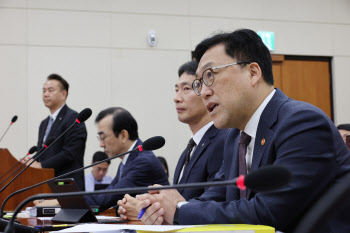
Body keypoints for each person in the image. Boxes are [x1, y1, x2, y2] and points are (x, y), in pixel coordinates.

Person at [135, 29, 350, 233]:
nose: (204, 92)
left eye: (210, 75)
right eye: (199, 83)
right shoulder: (235, 138)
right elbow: (215, 197)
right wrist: (163, 208)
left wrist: (181, 211)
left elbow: (271, 213)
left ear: (253, 72)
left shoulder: (302, 123)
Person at [117, 61, 227, 220]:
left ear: (205, 92)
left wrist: (152, 209)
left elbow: (213, 205)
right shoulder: (188, 150)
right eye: (176, 90)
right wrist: (147, 206)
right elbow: (180, 201)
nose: (176, 98)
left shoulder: (222, 140)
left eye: (186, 89)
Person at [83, 107, 169, 212]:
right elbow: (109, 192)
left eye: (103, 137)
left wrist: (63, 199)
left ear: (123, 135)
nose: (101, 145)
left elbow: (105, 199)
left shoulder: (143, 162)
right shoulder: (127, 160)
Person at [21, 74, 87, 191]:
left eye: (50, 90)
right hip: (46, 185)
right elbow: (44, 152)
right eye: (44, 90)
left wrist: (41, 166)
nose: (45, 94)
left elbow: (70, 152)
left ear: (63, 94)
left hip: (67, 185)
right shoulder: (44, 123)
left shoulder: (73, 118)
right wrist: (31, 161)